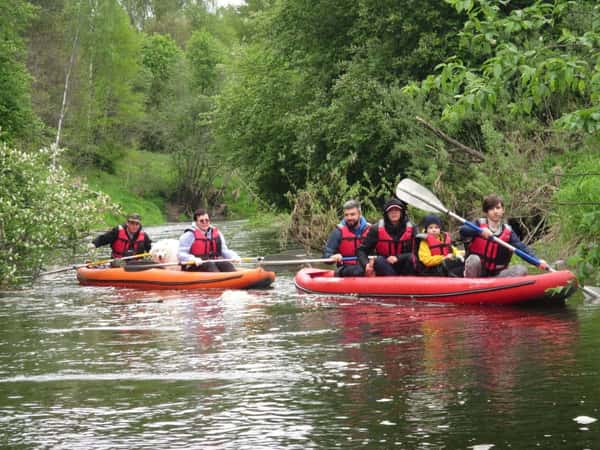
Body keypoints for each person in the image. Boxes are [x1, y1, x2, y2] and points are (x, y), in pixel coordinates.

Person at [459, 194, 548, 278]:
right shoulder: (478, 224)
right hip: (477, 274)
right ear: (486, 211)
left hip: (497, 277)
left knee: (521, 269)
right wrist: (479, 232)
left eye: (498, 208)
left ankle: (498, 289)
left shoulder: (508, 232)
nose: (495, 211)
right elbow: (463, 230)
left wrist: (537, 261)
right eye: (491, 209)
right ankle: (470, 286)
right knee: (473, 259)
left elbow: (521, 248)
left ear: (503, 210)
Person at [357, 198, 417, 276]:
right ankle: (393, 285)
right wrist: (366, 264)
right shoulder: (376, 229)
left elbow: (418, 251)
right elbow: (361, 250)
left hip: (405, 265)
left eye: (397, 210)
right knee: (378, 260)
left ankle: (406, 285)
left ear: (402, 212)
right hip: (385, 266)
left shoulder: (412, 227)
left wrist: (398, 258)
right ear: (386, 213)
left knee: (411, 258)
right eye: (391, 211)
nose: (394, 213)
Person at [322, 199, 371, 277]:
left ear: (359, 214)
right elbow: (326, 255)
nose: (349, 218)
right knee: (358, 270)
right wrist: (332, 257)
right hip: (346, 268)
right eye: (346, 215)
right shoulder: (338, 232)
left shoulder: (371, 230)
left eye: (352, 214)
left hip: (367, 266)